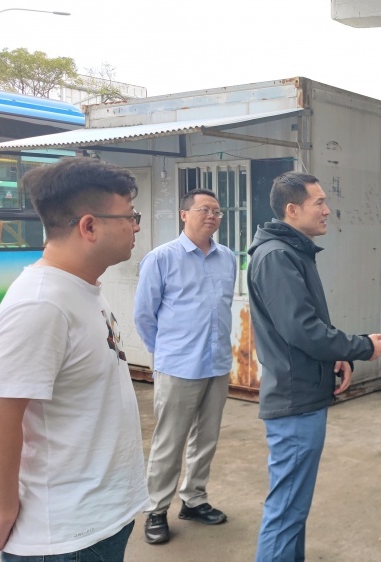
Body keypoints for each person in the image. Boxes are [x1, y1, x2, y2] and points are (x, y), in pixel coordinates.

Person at [0, 157, 146, 561]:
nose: (135, 226)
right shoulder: (41, 304)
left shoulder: (81, 288)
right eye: (129, 216)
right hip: (65, 540)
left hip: (100, 518)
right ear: (89, 227)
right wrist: (1, 514)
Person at [247, 171, 381, 562]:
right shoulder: (277, 257)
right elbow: (302, 329)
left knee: (293, 510)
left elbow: (302, 327)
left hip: (303, 394)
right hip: (294, 401)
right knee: (285, 512)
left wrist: (336, 355)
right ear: (293, 210)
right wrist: (361, 346)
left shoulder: (291, 251)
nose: (327, 209)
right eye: (319, 202)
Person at [134, 188, 237, 544]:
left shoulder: (228, 258)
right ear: (184, 214)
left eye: (217, 211)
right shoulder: (161, 258)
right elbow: (144, 315)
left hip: (217, 363)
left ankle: (194, 499)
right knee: (169, 441)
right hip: (178, 365)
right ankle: (156, 509)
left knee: (206, 438)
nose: (212, 216)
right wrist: (165, 352)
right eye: (204, 209)